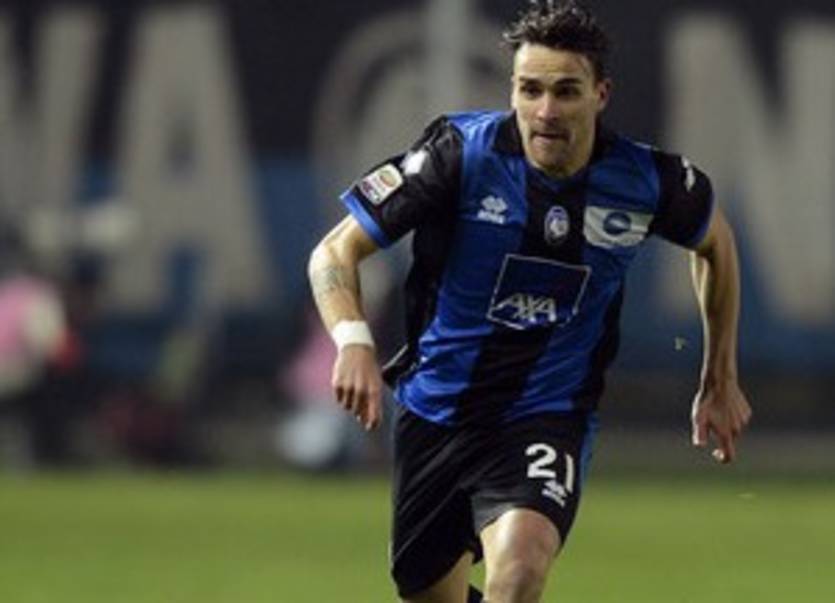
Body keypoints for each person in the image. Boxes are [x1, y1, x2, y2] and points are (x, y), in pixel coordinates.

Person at [307, 1, 752, 601]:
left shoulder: (646, 180)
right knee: (424, 591)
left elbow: (716, 244)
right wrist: (354, 341)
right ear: (512, 90)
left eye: (566, 91)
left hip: (547, 413)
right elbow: (333, 253)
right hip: (437, 412)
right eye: (530, 90)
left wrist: (720, 375)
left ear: (600, 94)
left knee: (519, 570)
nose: (545, 111)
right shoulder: (459, 155)